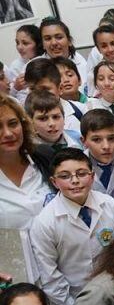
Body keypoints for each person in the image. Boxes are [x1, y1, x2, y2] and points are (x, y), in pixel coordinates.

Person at [30, 149, 114, 305]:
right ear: (54, 182)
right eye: (65, 176)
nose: (75, 181)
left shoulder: (110, 205)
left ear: (92, 176)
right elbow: (50, 276)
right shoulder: (45, 222)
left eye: (81, 173)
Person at [0, 94, 53, 282]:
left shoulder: (45, 159)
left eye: (13, 123)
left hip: (60, 276)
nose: (8, 133)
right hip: (12, 280)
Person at [80, 108, 114, 196]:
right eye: (97, 140)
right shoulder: (75, 168)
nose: (106, 146)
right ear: (84, 141)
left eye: (111, 138)